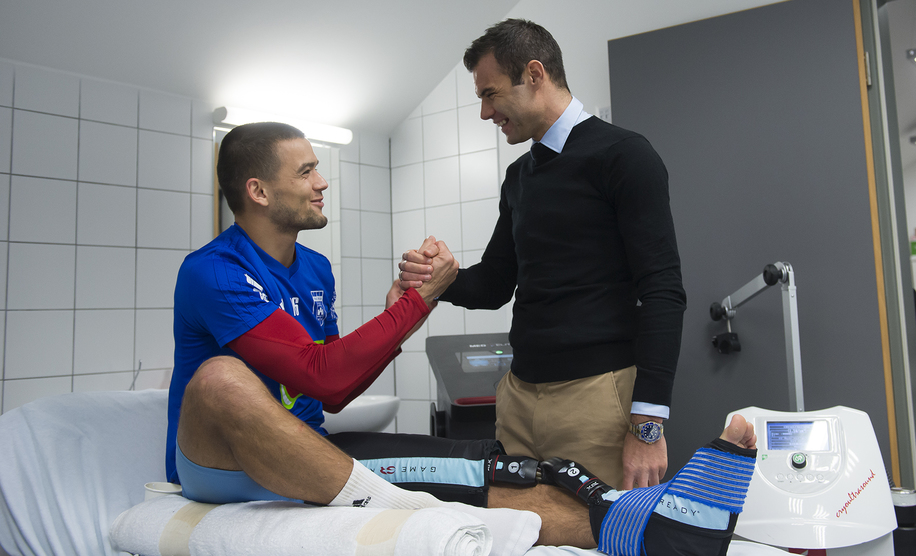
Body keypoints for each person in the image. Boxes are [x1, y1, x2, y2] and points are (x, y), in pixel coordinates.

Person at [167, 121, 758, 553]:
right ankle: (391, 498)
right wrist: (416, 303)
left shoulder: (315, 269)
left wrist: (401, 311)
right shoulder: (213, 272)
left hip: (304, 448)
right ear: (258, 191)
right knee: (221, 379)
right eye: (306, 171)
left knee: (495, 471)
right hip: (218, 459)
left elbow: (334, 393)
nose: (322, 182)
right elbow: (324, 375)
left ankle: (664, 530)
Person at [399, 18, 687, 490]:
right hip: (517, 398)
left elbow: (663, 291)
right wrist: (438, 276)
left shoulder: (624, 156)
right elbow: (495, 284)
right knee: (518, 527)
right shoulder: (518, 177)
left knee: (595, 529)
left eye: (490, 94)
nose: (485, 113)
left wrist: (647, 427)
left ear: (534, 74)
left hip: (597, 399)